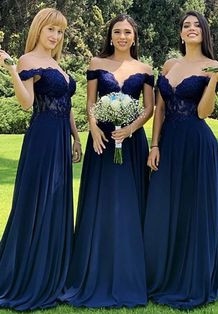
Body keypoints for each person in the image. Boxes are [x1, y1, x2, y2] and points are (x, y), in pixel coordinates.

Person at [59, 14, 154, 308]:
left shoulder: (145, 68)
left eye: (127, 32)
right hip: (101, 141)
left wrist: (131, 128)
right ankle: (94, 269)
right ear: (110, 36)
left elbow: (149, 107)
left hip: (132, 142)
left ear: (134, 37)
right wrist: (96, 128)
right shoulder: (96, 64)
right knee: (101, 202)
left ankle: (129, 273)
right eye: (117, 32)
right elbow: (89, 103)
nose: (122, 36)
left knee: (128, 203)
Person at [144, 10, 218, 310]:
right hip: (168, 144)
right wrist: (154, 145)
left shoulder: (213, 66)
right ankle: (161, 275)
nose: (191, 28)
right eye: (186, 25)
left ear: (204, 33)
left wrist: (213, 80)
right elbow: (160, 108)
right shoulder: (170, 65)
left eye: (197, 25)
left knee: (194, 211)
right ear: (181, 34)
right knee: (163, 208)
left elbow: (203, 112)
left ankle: (191, 278)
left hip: (197, 145)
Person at [0, 7, 82, 310]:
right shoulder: (28, 60)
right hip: (43, 137)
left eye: (60, 31)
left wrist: (75, 137)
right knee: (37, 201)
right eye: (51, 29)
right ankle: (28, 274)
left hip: (61, 138)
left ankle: (53, 270)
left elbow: (67, 103)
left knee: (57, 201)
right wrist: (11, 71)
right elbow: (27, 103)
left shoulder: (55, 63)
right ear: (38, 29)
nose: (55, 36)